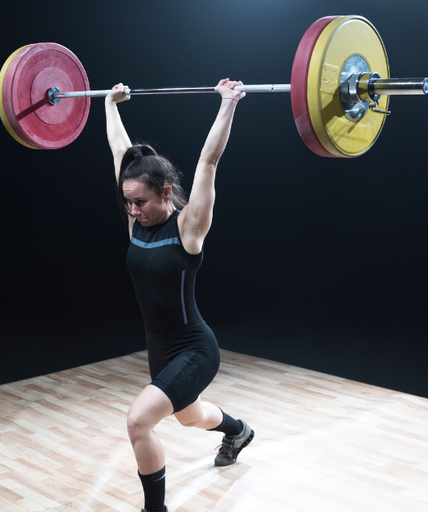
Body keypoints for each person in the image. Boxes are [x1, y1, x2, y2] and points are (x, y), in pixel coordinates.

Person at [105, 79, 256, 512]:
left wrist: (228, 103)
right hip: (160, 348)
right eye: (127, 202)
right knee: (190, 416)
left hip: (194, 347)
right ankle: (238, 431)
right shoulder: (136, 220)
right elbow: (120, 152)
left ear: (167, 193)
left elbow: (209, 160)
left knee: (138, 421)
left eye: (140, 202)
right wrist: (110, 106)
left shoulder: (189, 228)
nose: (132, 210)